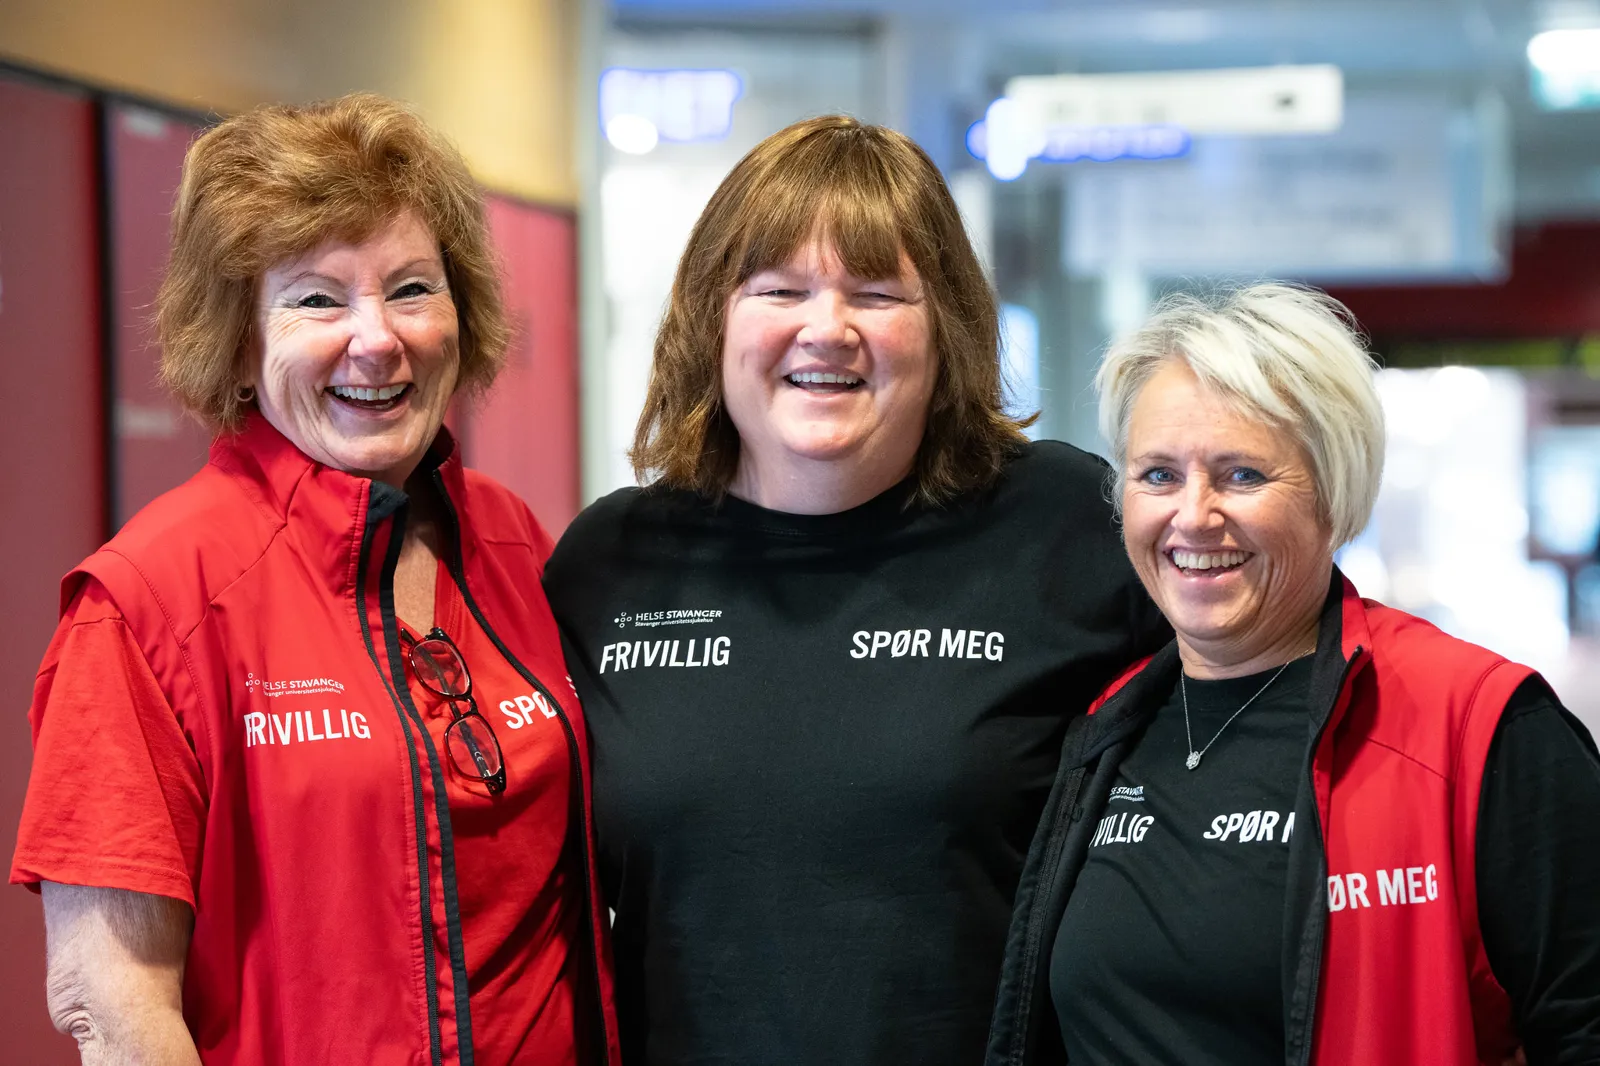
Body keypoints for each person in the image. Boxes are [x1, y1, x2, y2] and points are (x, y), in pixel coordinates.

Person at [541, 115, 1169, 1066]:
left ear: (944, 327)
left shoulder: (1072, 527)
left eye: (877, 293)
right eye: (780, 289)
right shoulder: (610, 563)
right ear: (714, 316)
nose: (825, 329)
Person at [10, 93, 618, 1066]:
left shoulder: (511, 542)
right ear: (241, 342)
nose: (375, 339)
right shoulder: (150, 602)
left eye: (412, 288)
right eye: (316, 298)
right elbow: (109, 995)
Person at [985, 283, 1600, 1066]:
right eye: (1158, 475)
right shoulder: (1104, 728)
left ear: (1333, 493)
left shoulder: (1476, 725)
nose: (1193, 515)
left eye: (1242, 475)